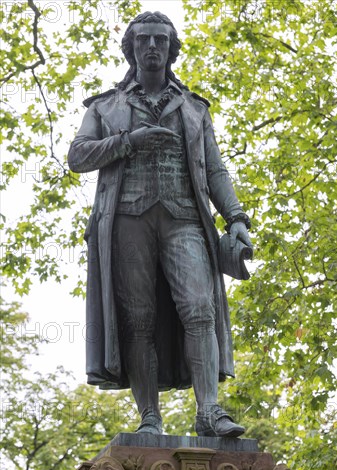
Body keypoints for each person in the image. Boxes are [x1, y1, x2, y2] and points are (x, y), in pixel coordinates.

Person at [68, 11, 253, 437]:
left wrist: (237, 219)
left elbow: (216, 172)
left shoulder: (193, 108)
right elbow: (78, 156)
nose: (152, 46)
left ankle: (208, 410)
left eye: (160, 40)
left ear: (171, 49)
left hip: (184, 218)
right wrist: (128, 142)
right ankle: (149, 416)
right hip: (127, 221)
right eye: (143, 40)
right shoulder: (105, 106)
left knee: (199, 308)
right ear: (131, 48)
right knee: (138, 320)